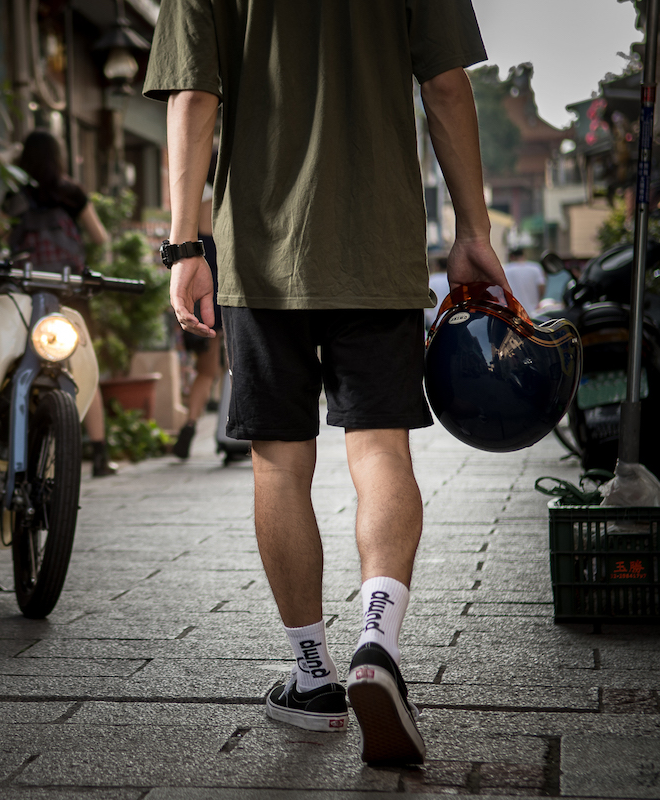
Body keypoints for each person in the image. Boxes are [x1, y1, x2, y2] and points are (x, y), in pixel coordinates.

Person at [144, 1, 510, 765]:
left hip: (263, 255)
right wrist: (472, 232)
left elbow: (193, 96)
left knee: (281, 460)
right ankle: (377, 641)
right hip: (378, 250)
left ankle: (312, 679)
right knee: (381, 451)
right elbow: (445, 86)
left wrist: (185, 245)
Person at [3, 129, 118, 477]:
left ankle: (21, 447)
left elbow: (1, 237)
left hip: (27, 295)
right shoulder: (71, 193)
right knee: (83, 364)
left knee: (21, 365)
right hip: (69, 293)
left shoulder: (16, 196)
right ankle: (99, 453)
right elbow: (100, 237)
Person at [173, 151, 223, 460]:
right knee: (240, 369)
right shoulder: (237, 210)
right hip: (239, 295)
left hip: (204, 296)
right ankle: (235, 435)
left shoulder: (198, 212)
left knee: (206, 371)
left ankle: (190, 425)